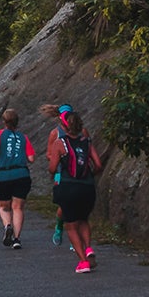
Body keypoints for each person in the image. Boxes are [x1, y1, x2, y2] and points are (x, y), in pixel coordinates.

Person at [45, 104, 103, 273]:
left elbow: (52, 167)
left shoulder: (59, 142)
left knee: (71, 225)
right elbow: (98, 164)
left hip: (68, 186)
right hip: (87, 187)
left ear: (65, 125)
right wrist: (90, 174)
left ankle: (83, 262)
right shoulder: (87, 141)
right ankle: (88, 248)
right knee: (84, 219)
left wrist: (56, 168)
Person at [0, 109, 34, 249]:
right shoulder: (23, 137)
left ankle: (8, 225)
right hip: (22, 175)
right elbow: (31, 158)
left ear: (4, 122)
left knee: (4, 206)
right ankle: (17, 239)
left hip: (3, 175)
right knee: (18, 207)